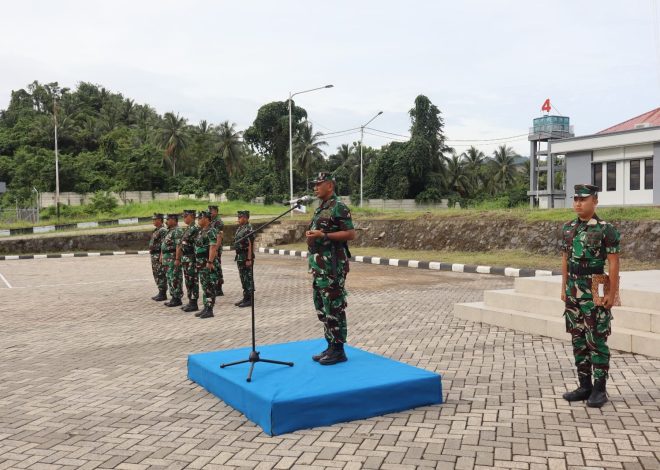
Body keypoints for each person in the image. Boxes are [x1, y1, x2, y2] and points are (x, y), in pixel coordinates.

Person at [561, 184, 620, 408]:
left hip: (594, 291)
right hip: (573, 291)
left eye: (583, 199)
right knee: (578, 339)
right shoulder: (568, 228)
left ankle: (599, 389)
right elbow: (565, 259)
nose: (578, 203)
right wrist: (563, 288)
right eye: (575, 199)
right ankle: (584, 385)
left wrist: (612, 293)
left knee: (596, 339)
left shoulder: (606, 229)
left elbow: (614, 264)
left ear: (594, 201)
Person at [305, 172, 356, 365]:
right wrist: (312, 235)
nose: (315, 187)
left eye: (319, 184)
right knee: (322, 305)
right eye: (314, 184)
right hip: (319, 266)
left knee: (334, 305)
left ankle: (339, 350)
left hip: (333, 265)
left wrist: (323, 235)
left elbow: (350, 234)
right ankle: (330, 345)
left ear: (330, 186)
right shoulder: (321, 209)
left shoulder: (339, 207)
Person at [194, 210, 219, 319]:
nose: (199, 219)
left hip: (207, 263)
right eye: (198, 217)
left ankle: (210, 309)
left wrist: (210, 261)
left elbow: (213, 247)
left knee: (209, 286)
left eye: (201, 217)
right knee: (204, 285)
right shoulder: (201, 231)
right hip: (201, 263)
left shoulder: (211, 231)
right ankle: (205, 307)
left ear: (207, 219)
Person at [176, 209, 200, 312]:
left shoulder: (195, 228)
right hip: (186, 258)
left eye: (186, 216)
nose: (184, 218)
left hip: (192, 258)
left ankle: (194, 303)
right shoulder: (188, 228)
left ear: (191, 216)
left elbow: (196, 244)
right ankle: (190, 301)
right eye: (183, 216)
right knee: (188, 280)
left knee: (193, 280)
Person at [161, 213, 184, 307]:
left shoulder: (177, 231)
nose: (166, 221)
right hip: (168, 259)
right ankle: (173, 297)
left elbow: (179, 246)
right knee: (170, 277)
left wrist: (178, 259)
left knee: (175, 278)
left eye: (168, 219)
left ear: (174, 220)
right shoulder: (170, 231)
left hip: (173, 258)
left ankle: (177, 298)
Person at [233, 210, 255, 308]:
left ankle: (250, 299)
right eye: (238, 217)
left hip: (246, 256)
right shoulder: (240, 228)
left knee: (248, 277)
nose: (238, 219)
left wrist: (249, 259)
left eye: (240, 217)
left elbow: (251, 244)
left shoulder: (249, 229)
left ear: (245, 218)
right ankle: (245, 297)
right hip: (240, 257)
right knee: (243, 277)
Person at [149, 213, 168, 301]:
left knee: (161, 274)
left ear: (160, 220)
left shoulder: (163, 230)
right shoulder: (156, 230)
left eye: (155, 219)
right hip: (154, 255)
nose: (153, 221)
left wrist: (162, 255)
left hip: (158, 255)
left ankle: (163, 293)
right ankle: (160, 291)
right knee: (156, 273)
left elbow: (164, 244)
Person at [209, 205, 225, 296]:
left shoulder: (218, 222)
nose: (210, 213)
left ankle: (219, 288)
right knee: (214, 266)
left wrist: (215, 250)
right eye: (210, 211)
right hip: (213, 248)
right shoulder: (211, 221)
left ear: (216, 212)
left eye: (212, 211)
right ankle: (215, 286)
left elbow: (219, 236)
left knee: (217, 267)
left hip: (216, 248)